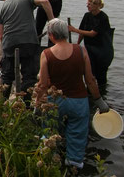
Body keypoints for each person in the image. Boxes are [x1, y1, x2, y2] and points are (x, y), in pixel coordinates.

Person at [35, 18, 109, 169]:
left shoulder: (47, 54)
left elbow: (42, 84)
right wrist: (99, 102)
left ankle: (50, 161)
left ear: (51, 35)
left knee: (50, 131)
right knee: (77, 134)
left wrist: (37, 104)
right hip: (79, 101)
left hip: (55, 101)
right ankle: (74, 164)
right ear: (66, 33)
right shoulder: (81, 50)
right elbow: (90, 80)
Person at [0, 0, 54, 100]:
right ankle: (26, 105)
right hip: (29, 42)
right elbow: (45, 1)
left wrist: (6, 51)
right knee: (29, 77)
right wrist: (52, 22)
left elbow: (1, 35)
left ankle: (0, 107)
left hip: (9, 43)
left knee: (7, 77)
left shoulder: (1, 8)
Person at [68, 0, 114, 88]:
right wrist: (77, 44)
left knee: (101, 73)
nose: (87, 6)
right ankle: (90, 89)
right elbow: (82, 31)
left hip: (102, 49)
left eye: (89, 4)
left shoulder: (103, 17)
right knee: (89, 71)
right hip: (90, 48)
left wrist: (74, 30)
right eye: (87, 4)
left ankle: (101, 90)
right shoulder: (87, 15)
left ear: (96, 5)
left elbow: (92, 33)